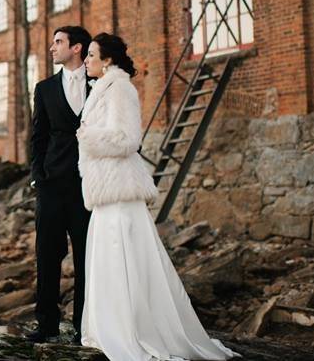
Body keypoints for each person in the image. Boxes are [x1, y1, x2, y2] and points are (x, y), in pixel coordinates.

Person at [78, 33, 238, 360]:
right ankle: (110, 328)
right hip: (105, 190)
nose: (86, 60)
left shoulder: (120, 88)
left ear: (107, 60)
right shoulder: (101, 89)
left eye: (91, 55)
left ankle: (131, 331)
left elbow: (127, 139)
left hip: (119, 191)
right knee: (107, 261)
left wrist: (86, 138)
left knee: (126, 260)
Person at [26, 25, 94, 344]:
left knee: (86, 257)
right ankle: (47, 324)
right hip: (52, 185)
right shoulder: (44, 89)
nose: (52, 48)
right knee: (47, 254)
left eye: (58, 42)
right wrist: (38, 176)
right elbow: (37, 137)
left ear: (77, 48)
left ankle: (84, 325)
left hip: (89, 186)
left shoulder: (99, 84)